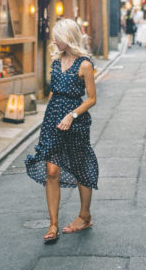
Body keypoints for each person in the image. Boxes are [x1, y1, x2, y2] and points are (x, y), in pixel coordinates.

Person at [25, 18, 98, 244]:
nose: (54, 40)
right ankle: (53, 223)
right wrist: (49, 115)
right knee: (52, 170)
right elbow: (54, 92)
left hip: (75, 122)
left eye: (58, 37)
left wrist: (71, 115)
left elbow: (92, 99)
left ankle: (84, 216)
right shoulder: (56, 61)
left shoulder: (84, 64)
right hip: (53, 120)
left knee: (80, 167)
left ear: (69, 38)